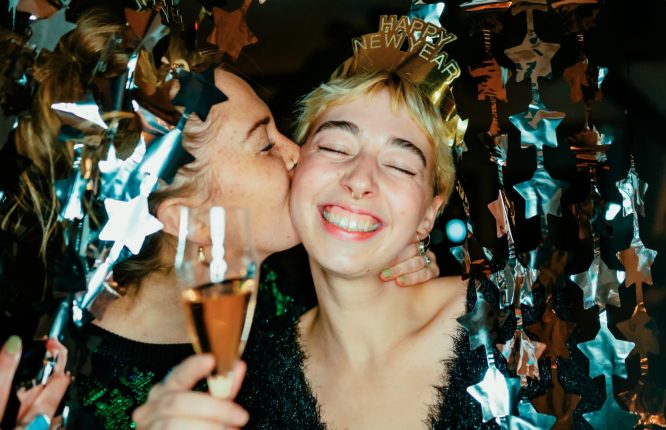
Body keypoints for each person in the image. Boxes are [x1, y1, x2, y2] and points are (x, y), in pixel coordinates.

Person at [0, 8, 439, 429]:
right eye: (265, 145)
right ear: (190, 220)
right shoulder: (59, 394)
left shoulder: (279, 288)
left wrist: (389, 273)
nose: (296, 153)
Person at [133, 71, 493, 428]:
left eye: (399, 166)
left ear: (428, 214)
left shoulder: (502, 326)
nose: (359, 180)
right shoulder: (252, 372)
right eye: (334, 148)